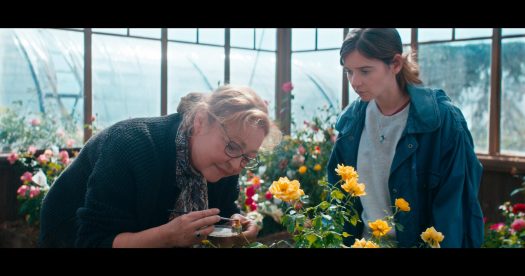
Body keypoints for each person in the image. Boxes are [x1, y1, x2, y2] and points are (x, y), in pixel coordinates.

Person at [39, 85, 281, 248]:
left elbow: (222, 210)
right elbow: (93, 240)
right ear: (199, 122)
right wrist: (168, 235)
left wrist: (234, 225)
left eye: (248, 158)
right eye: (233, 147)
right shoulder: (131, 144)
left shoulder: (224, 164)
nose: (237, 165)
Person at [327, 28, 484, 248]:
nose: (355, 82)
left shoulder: (442, 121)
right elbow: (339, 200)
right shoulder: (351, 122)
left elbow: (455, 212)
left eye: (365, 71)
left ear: (396, 64)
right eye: (349, 72)